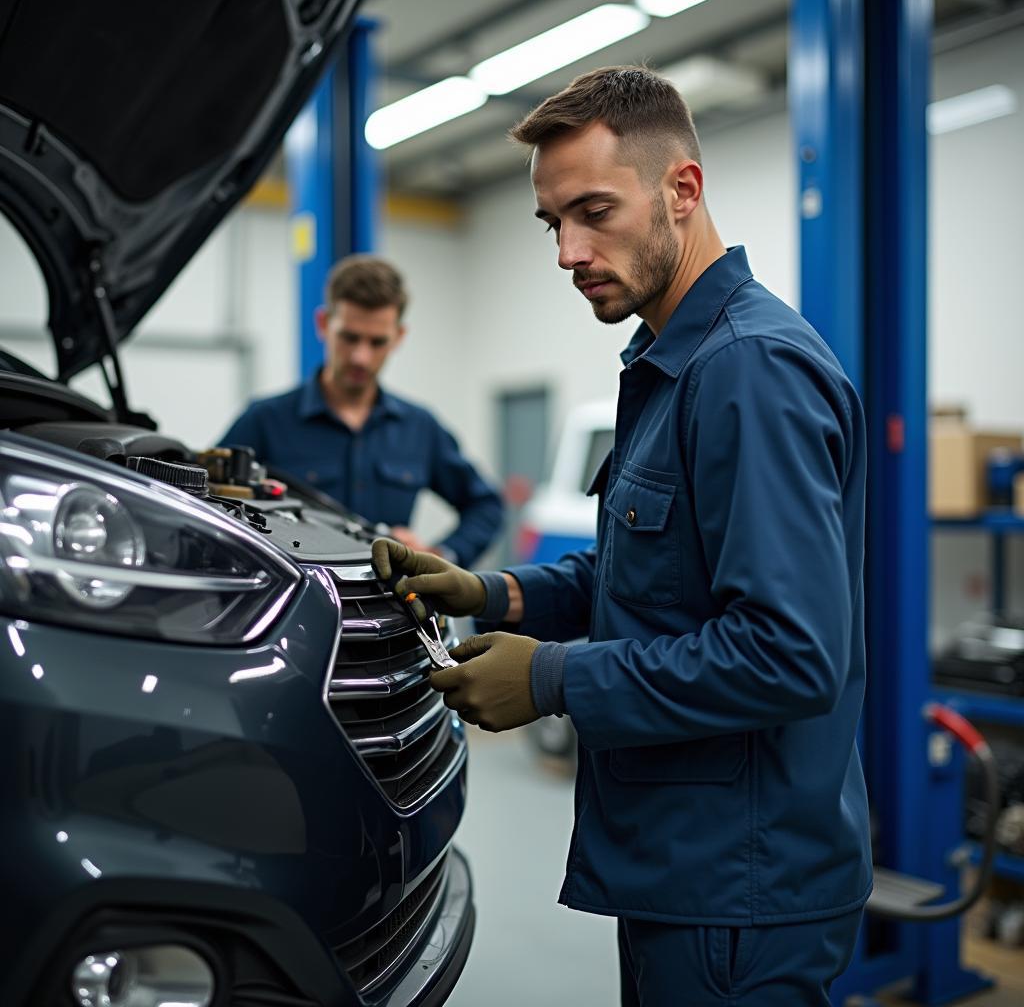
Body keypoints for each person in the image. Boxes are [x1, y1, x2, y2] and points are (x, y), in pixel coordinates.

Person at [373, 66, 871, 1005]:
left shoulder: (748, 372)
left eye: (594, 210)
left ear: (682, 190)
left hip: (741, 894)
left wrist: (551, 678)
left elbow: (789, 655)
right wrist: (492, 593)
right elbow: (657, 573)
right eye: (552, 223)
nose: (568, 249)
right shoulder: (670, 359)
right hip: (687, 869)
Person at [220, 254, 503, 566]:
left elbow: (486, 506)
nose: (360, 358)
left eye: (377, 342)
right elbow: (208, 506)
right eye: (349, 337)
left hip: (389, 608)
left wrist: (440, 556)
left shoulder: (419, 428)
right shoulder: (264, 421)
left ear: (399, 337)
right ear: (324, 324)